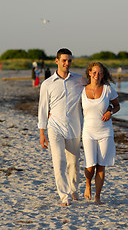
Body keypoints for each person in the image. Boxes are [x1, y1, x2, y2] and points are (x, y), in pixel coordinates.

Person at [38, 48, 86, 206]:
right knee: (59, 162)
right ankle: (64, 196)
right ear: (57, 61)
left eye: (69, 60)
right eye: (64, 60)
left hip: (74, 128)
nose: (67, 63)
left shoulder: (79, 80)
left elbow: (95, 89)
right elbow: (43, 109)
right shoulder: (47, 84)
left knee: (74, 163)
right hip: (54, 128)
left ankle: (73, 190)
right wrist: (42, 133)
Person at [81, 62, 120, 205]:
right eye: (94, 72)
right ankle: (87, 184)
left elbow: (117, 106)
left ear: (103, 75)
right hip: (88, 132)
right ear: (89, 73)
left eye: (100, 73)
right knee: (90, 165)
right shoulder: (82, 90)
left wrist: (110, 112)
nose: (97, 75)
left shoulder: (108, 90)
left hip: (105, 132)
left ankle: (97, 197)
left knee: (101, 165)